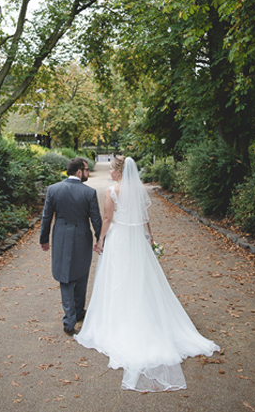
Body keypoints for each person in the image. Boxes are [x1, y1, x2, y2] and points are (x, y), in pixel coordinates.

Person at [75, 156, 220, 391]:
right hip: (136, 239)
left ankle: (120, 319)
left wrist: (100, 239)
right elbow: (144, 218)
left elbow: (109, 219)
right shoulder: (138, 191)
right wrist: (150, 237)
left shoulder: (112, 191)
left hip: (120, 239)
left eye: (111, 169)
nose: (110, 172)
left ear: (120, 171)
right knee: (140, 278)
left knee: (119, 278)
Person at [40, 157, 102, 334]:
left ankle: (71, 318)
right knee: (82, 274)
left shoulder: (53, 189)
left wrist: (44, 239)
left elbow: (46, 216)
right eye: (87, 170)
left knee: (65, 276)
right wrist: (100, 240)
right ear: (79, 171)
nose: (88, 173)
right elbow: (96, 219)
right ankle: (77, 314)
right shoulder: (89, 192)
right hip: (82, 236)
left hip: (61, 237)